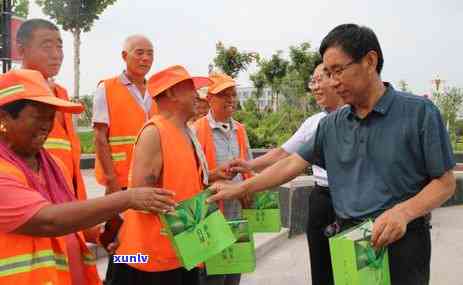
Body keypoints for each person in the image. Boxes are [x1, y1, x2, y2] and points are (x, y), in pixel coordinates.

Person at [208, 24, 456, 285]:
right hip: (349, 243)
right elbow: (291, 163)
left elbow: (445, 182)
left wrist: (404, 213)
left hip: (402, 243)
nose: (333, 81)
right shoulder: (331, 125)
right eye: (327, 73)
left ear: (370, 61)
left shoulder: (419, 113)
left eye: (338, 70)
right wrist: (241, 188)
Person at [0, 69, 176, 285]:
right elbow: (49, 221)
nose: (46, 126)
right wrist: (127, 198)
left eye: (50, 117)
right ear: (3, 118)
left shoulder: (52, 165)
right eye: (37, 116)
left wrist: (100, 233)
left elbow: (70, 215)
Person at [112, 65, 233, 285]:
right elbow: (139, 197)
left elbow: (184, 184)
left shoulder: (185, 132)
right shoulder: (154, 133)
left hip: (181, 252)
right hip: (146, 258)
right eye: (189, 88)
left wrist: (210, 183)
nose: (198, 95)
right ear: (170, 93)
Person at [233, 62, 344, 285]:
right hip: (322, 199)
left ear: (336, 79)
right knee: (323, 269)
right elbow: (284, 155)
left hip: (354, 201)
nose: (314, 87)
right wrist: (249, 166)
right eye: (312, 81)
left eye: (318, 80)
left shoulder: (358, 118)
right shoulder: (315, 123)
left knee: (352, 269)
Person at [92, 34, 157, 283]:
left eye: (150, 53)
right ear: (124, 56)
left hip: (149, 185)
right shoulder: (106, 88)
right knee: (119, 244)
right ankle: (116, 279)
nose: (146, 58)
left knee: (144, 242)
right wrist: (112, 184)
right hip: (121, 184)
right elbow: (100, 137)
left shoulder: (155, 91)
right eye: (139, 52)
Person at [193, 73, 254, 285]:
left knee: (233, 277)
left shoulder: (239, 129)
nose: (230, 99)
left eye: (233, 94)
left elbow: (249, 166)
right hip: (212, 219)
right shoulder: (197, 130)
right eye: (223, 95)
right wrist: (214, 175)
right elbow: (191, 176)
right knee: (213, 278)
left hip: (237, 217)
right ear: (210, 99)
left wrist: (248, 188)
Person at [17, 18, 87, 201]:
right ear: (21, 51)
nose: (56, 55)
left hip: (66, 196)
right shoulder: (11, 94)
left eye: (59, 47)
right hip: (33, 200)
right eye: (47, 46)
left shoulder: (61, 93)